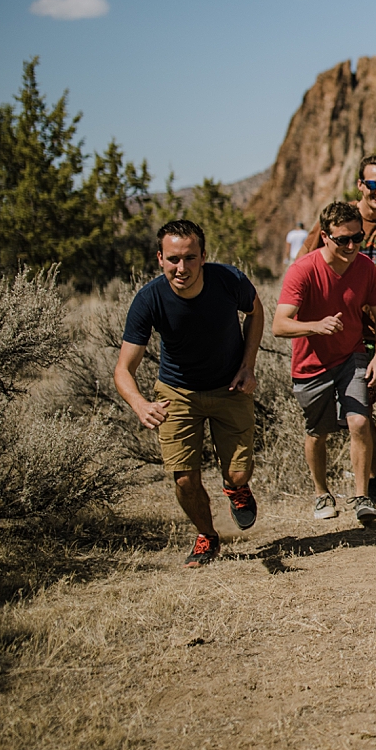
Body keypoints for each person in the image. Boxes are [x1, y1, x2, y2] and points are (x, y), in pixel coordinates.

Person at [115, 220, 263, 567]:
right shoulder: (149, 299)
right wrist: (140, 404)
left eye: (190, 258)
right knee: (184, 477)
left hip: (230, 386)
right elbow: (123, 369)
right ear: (160, 258)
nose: (182, 268)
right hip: (177, 392)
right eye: (173, 259)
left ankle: (236, 489)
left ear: (203, 257)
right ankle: (207, 536)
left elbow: (255, 312)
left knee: (238, 473)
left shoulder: (228, 280)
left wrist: (248, 364)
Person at [301, 154, 376, 503]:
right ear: (360, 185)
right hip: (354, 333)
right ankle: (373, 477)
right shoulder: (342, 219)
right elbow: (307, 263)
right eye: (372, 184)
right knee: (363, 408)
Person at [274, 201, 376, 524]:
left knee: (359, 422)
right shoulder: (303, 270)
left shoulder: (365, 267)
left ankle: (361, 495)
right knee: (318, 432)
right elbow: (279, 324)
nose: (352, 246)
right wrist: (315, 326)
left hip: (351, 355)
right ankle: (321, 492)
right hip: (311, 365)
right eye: (343, 240)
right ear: (325, 236)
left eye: (358, 238)